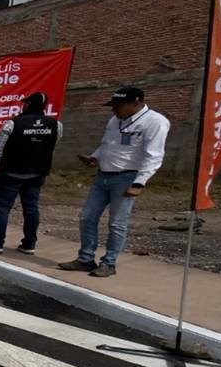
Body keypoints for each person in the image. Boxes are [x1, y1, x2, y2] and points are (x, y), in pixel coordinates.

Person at [58, 86, 169, 277]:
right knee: (87, 217)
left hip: (126, 178)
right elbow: (106, 145)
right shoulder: (114, 120)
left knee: (117, 223)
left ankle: (109, 263)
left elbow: (154, 156)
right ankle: (85, 259)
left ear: (136, 103)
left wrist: (139, 183)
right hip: (103, 176)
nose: (114, 110)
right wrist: (95, 158)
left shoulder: (155, 122)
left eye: (118, 106)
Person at [0, 92, 60, 253]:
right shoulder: (55, 125)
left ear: (29, 104)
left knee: (3, 207)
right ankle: (29, 244)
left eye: (25, 102)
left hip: (11, 172)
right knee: (31, 207)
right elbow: (53, 144)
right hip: (37, 172)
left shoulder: (13, 123)